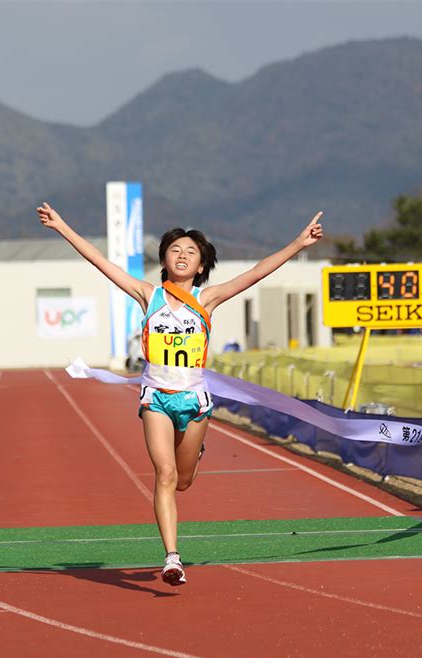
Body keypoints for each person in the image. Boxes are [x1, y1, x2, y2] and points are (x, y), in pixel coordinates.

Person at [37, 202, 323, 585]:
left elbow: (256, 273)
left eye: (191, 252)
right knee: (165, 474)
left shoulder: (207, 300)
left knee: (185, 479)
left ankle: (195, 452)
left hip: (195, 401)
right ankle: (172, 557)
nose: (183, 255)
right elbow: (101, 262)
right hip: (155, 396)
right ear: (164, 261)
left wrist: (299, 244)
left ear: (202, 265)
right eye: (175, 250)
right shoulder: (147, 295)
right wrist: (62, 227)